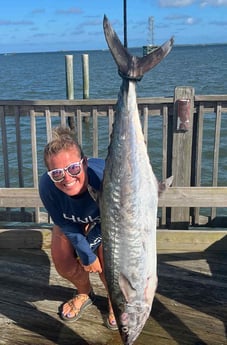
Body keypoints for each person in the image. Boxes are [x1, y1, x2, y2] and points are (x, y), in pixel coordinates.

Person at [39, 125, 117, 330]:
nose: (67, 178)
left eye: (73, 168)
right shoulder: (46, 186)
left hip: (106, 223)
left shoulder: (104, 179)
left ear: (84, 162)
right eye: (56, 173)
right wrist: (84, 253)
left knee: (108, 266)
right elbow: (63, 222)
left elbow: (116, 221)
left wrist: (91, 253)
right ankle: (84, 292)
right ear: (49, 174)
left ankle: (114, 300)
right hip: (72, 220)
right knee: (63, 263)